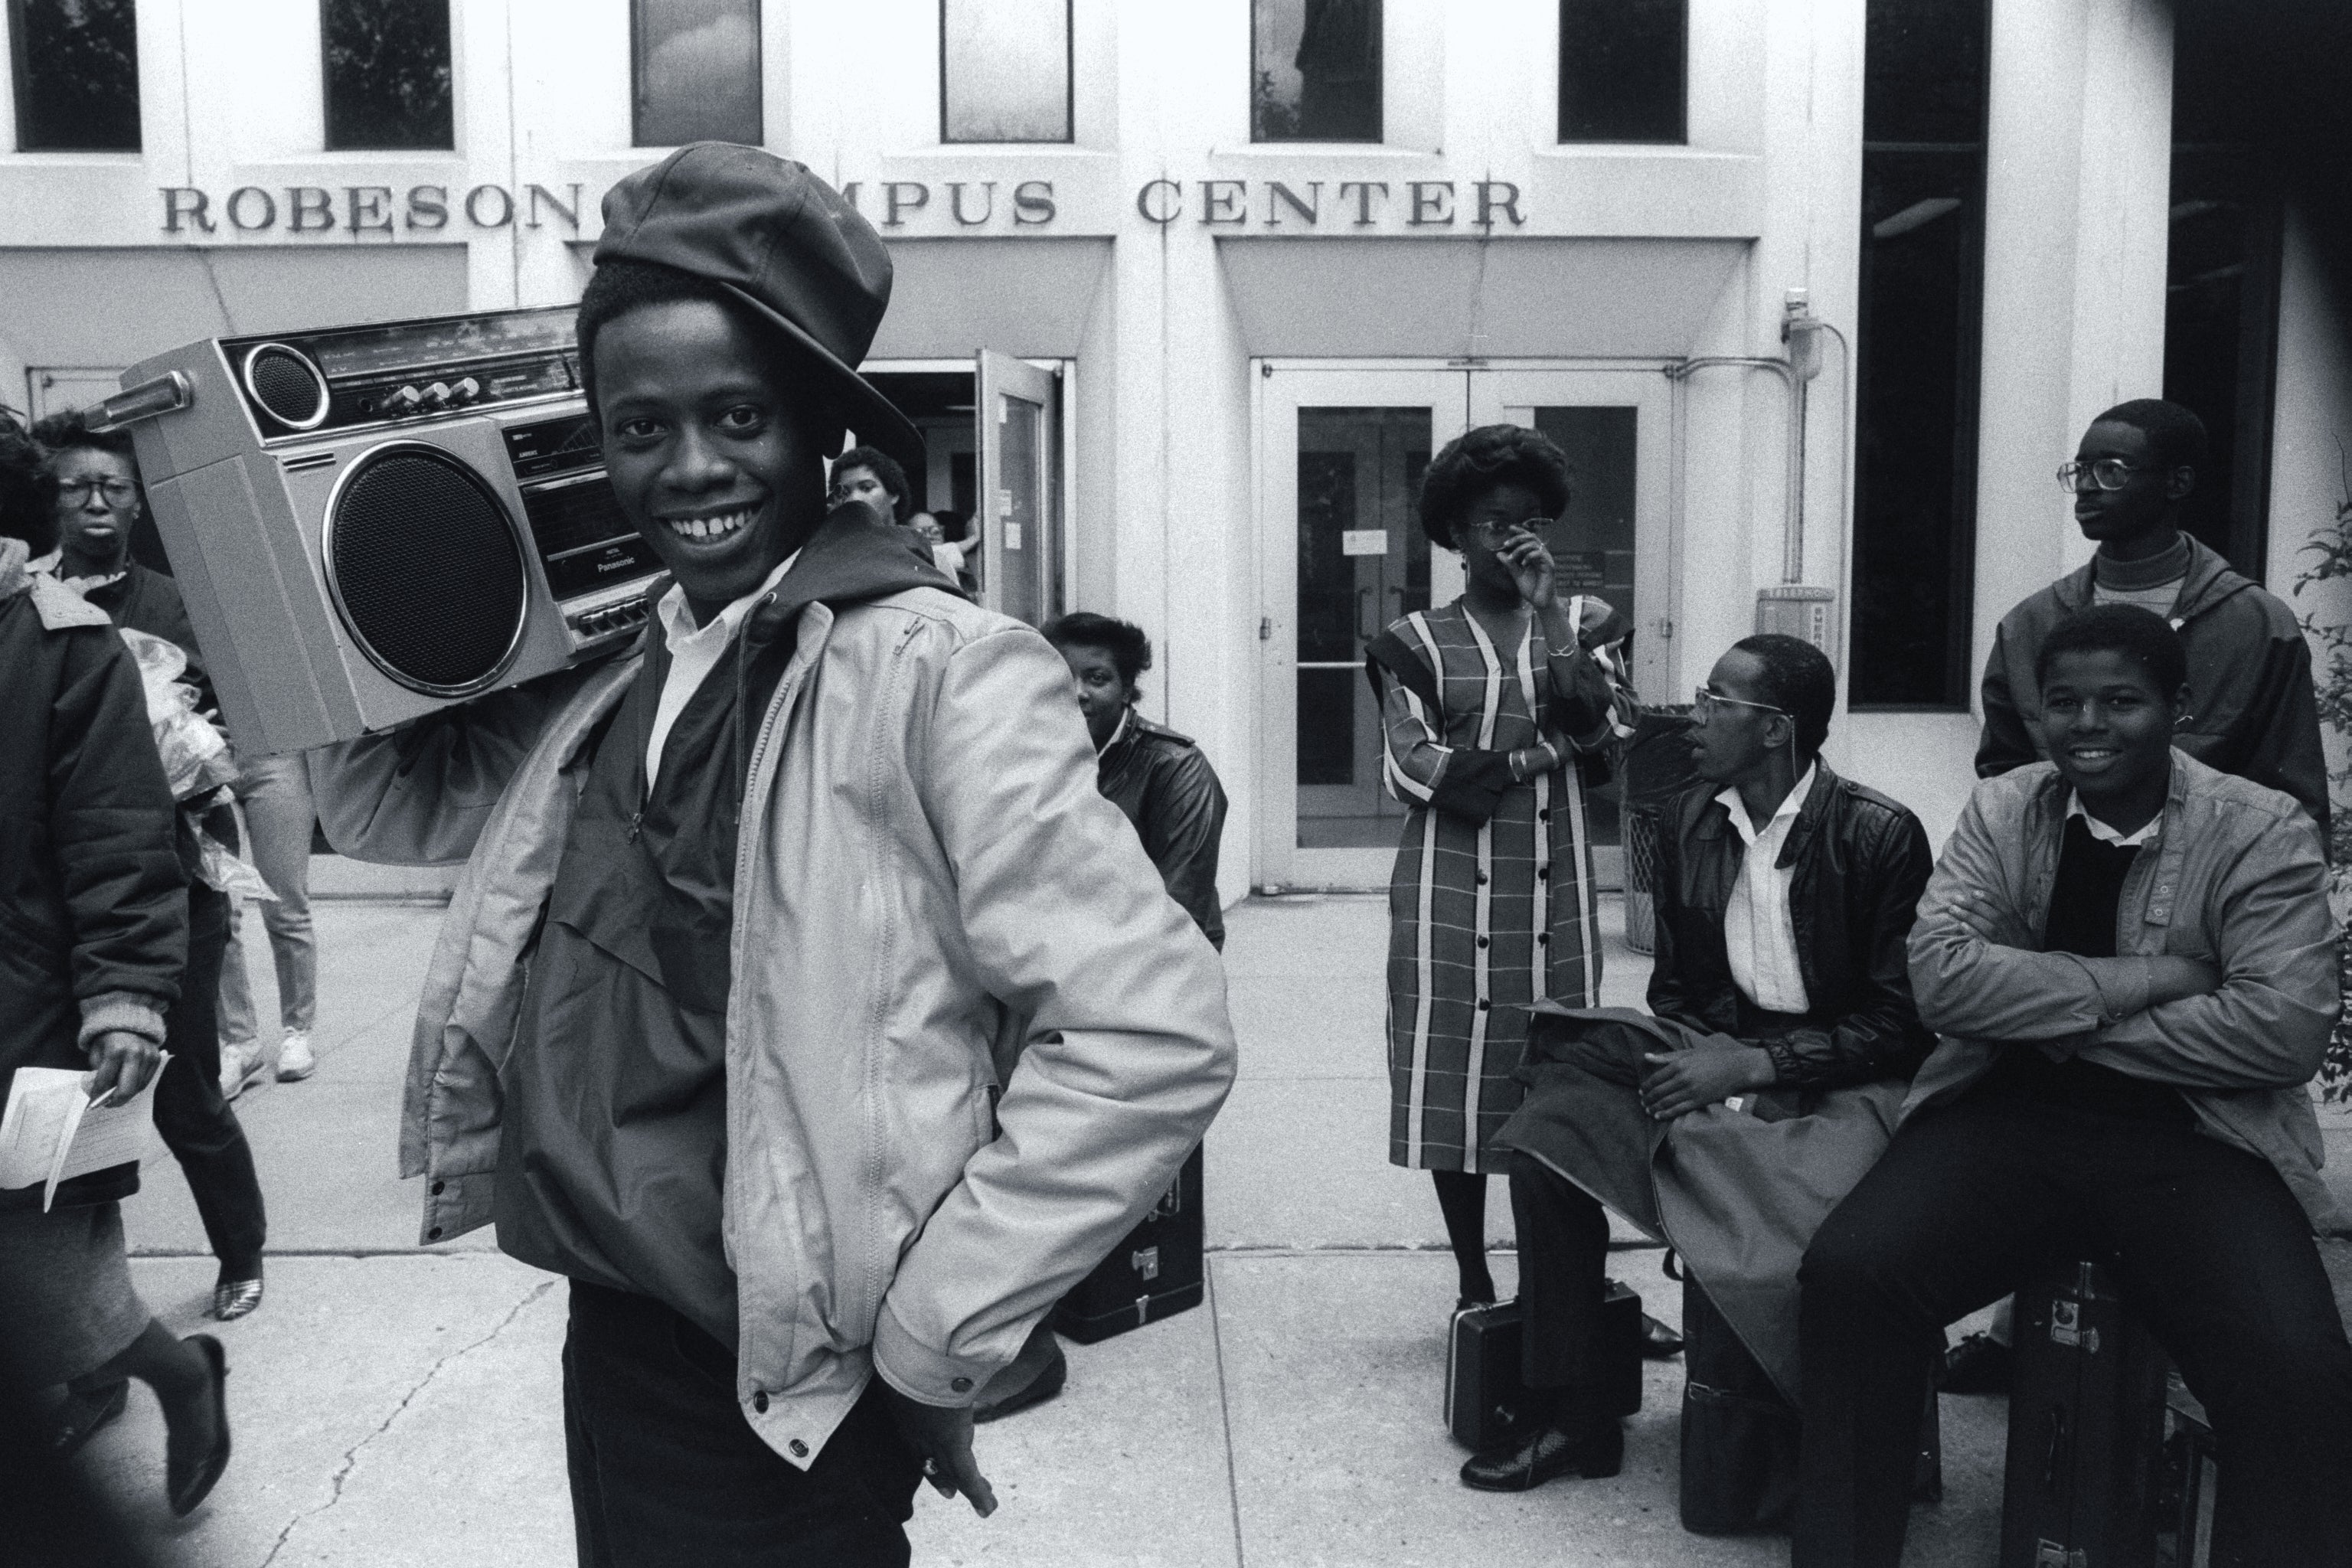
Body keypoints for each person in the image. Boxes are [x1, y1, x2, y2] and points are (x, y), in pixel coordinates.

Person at [308, 145, 1235, 1566]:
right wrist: (328, 582)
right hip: (617, 1318)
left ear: (815, 426)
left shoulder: (940, 669)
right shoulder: (624, 666)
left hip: (791, 1365)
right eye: (638, 426)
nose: (687, 468)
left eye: (736, 414)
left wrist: (937, 1333)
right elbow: (381, 804)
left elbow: (1149, 1030)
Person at [1795, 605, 2352, 1568]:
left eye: (2121, 700)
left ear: (2178, 708)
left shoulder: (2259, 829)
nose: (2088, 723)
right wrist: (2153, 980)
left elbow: (2282, 1030)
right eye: (2064, 702)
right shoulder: (2007, 807)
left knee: (2297, 1368)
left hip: (2197, 1137)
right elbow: (1941, 980)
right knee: (1852, 1275)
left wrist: (2055, 1022)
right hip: (2007, 1117)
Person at [1466, 635, 1934, 1498]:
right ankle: (1577, 1411)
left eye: (1718, 701)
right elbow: (1681, 988)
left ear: (1774, 729)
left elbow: (1901, 1022)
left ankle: (1823, 1441)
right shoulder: (1686, 815)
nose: (1696, 714)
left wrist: (1758, 1066)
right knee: (1546, 1138)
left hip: (1842, 1080)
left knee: (1772, 1249)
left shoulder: (1879, 831)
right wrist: (1697, 1064)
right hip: (1717, 1052)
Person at [1953, 396, 2330, 1392]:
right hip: (2062, 921)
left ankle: (2169, 1384)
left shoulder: (2254, 625)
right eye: (2080, 470)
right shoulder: (2034, 624)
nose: (2089, 486)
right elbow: (2001, 785)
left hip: (2196, 939)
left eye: (2113, 469)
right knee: (2040, 1121)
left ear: (2179, 485)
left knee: (2187, 1157)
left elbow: (2293, 800)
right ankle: (2021, 1334)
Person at [0, 409, 230, 1515]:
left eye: (112, 487)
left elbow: (117, 830)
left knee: (57, 1285)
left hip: (21, 1016)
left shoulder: (53, 639)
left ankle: (182, 1380)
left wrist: (129, 996)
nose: (95, 503)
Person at [1364, 423, 1639, 1318]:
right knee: (1457, 1074)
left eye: (1527, 521)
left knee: (1561, 1075)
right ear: (1453, 531)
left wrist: (1553, 612)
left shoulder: (1584, 626)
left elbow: (1608, 740)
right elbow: (1414, 767)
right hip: (1450, 881)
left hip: (1554, 879)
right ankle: (1476, 1282)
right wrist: (1536, 756)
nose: (1511, 538)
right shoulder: (1411, 640)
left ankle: (1567, 1283)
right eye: (1489, 522)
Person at [31, 407, 269, 1324]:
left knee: (183, 1086)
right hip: (59, 888)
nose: (95, 500)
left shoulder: (175, 604)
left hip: (176, 876)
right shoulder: (28, 605)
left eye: (113, 487)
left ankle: (241, 1249)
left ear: (137, 504)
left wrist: (185, 753)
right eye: (76, 485)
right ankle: (91, 1308)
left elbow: (234, 733)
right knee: (75, 1105)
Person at [967, 612, 1233, 1423]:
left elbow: (1171, 917)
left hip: (1136, 980)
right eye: (1064, 675)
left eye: (1099, 678)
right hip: (1037, 963)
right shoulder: (1019, 752)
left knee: (1031, 1115)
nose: (1079, 691)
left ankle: (1019, 1328)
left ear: (1129, 687)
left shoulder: (1175, 767)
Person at [214, 748, 319, 1093]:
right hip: (207, 753)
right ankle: (239, 1041)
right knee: (217, 913)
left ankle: (297, 1031)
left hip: (276, 755)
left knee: (285, 905)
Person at [826, 443, 912, 524]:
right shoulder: (826, 539)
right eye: (844, 493)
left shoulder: (917, 539)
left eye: (866, 488)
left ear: (893, 494)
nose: (853, 499)